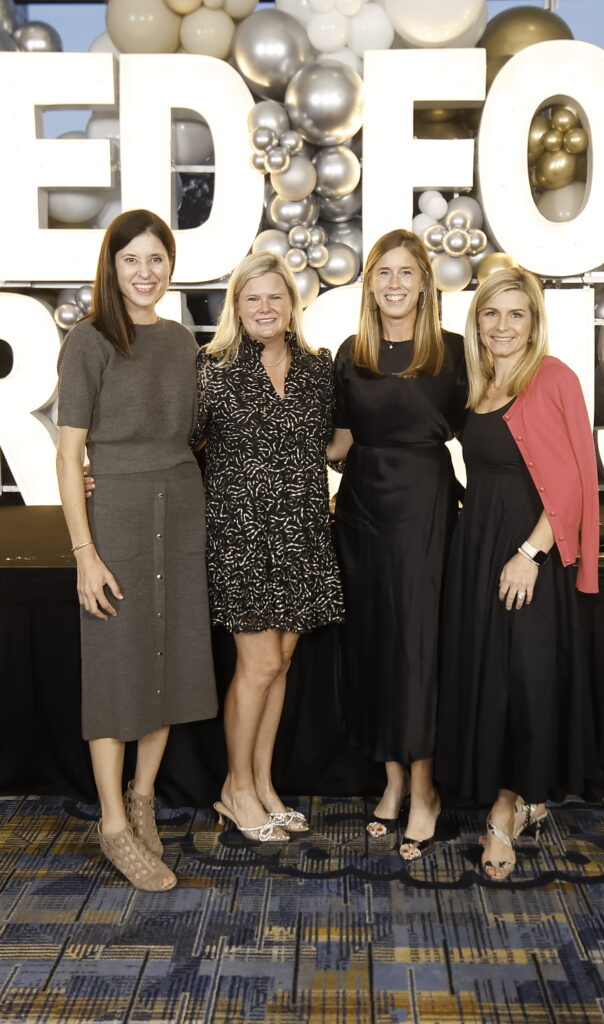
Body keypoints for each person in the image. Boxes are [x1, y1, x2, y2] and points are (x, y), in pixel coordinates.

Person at [56, 209, 217, 891]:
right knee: (116, 665)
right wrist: (84, 550)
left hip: (181, 506)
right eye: (131, 260)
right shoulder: (87, 341)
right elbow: (68, 455)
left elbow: (195, 434)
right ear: (111, 267)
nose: (145, 272)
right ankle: (115, 823)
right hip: (115, 514)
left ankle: (146, 796)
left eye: (156, 259)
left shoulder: (182, 341)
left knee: (170, 659)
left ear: (170, 266)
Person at [435, 266, 599, 881]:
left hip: (528, 554)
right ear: (476, 321)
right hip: (477, 547)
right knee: (489, 675)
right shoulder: (475, 383)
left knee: (522, 683)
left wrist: (530, 554)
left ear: (534, 323)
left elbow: (574, 483)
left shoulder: (553, 378)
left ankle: (504, 813)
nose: (502, 326)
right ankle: (521, 798)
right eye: (491, 314)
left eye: (516, 315)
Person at [327, 229, 468, 861]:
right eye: (383, 273)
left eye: (406, 273)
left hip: (426, 510)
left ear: (425, 284)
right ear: (370, 283)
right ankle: (390, 784)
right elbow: (338, 442)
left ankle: (426, 790)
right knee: (377, 645)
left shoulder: (455, 354)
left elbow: (489, 429)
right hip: (361, 511)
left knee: (418, 650)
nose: (394, 284)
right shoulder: (349, 353)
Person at [196, 252, 344, 843]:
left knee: (280, 664)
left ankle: (261, 783)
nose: (265, 308)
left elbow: (334, 443)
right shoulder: (213, 368)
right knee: (256, 664)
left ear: (292, 305)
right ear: (237, 305)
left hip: (303, 531)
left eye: (275, 297)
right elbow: (179, 444)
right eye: (252, 298)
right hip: (240, 535)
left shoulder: (316, 368)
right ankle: (235, 789)